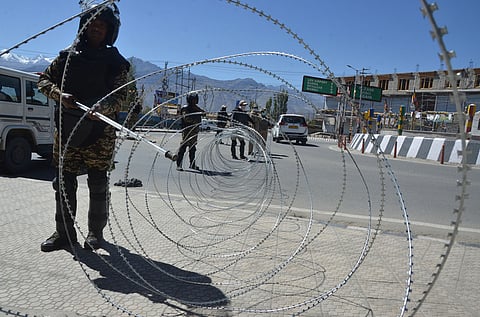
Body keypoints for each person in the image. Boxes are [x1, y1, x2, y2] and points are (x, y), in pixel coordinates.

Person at [38, 4, 130, 252]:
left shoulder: (117, 63)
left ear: (110, 30)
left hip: (100, 134)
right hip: (67, 130)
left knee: (98, 183)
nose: (96, 28)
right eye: (93, 24)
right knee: (63, 183)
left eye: (102, 25)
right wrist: (60, 95)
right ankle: (64, 233)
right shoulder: (66, 57)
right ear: (84, 27)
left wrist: (103, 107)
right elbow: (42, 81)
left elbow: (123, 96)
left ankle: (95, 234)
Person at [176, 92, 205, 171]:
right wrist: (196, 121)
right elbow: (186, 118)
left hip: (194, 131)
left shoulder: (195, 108)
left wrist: (199, 110)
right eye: (193, 100)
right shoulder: (186, 108)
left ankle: (192, 164)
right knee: (183, 147)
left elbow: (203, 113)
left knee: (192, 149)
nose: (195, 101)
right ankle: (179, 164)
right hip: (187, 131)